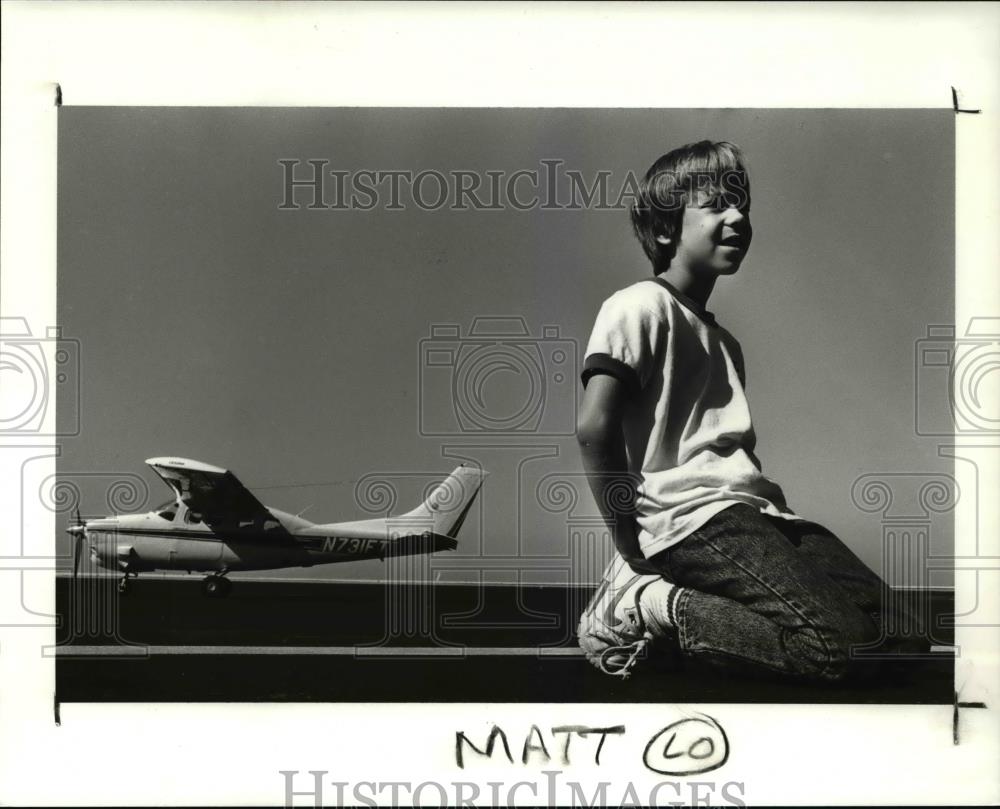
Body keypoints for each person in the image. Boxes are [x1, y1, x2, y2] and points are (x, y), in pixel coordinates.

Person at [575, 140, 926, 681]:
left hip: (757, 513)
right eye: (716, 205)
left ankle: (682, 613)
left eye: (744, 207)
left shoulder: (724, 342)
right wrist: (627, 536)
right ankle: (647, 603)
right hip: (690, 519)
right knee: (836, 647)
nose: (738, 217)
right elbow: (595, 427)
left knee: (902, 636)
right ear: (666, 228)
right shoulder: (638, 305)